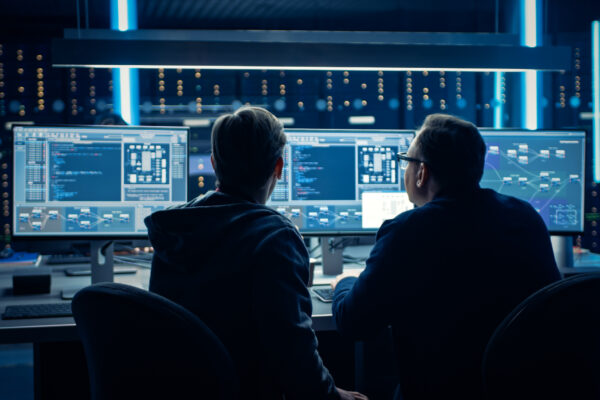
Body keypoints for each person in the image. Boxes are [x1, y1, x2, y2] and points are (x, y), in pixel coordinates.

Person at [331, 113, 561, 400]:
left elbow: (353, 322)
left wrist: (344, 282)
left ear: (421, 172)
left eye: (407, 160)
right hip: (518, 387)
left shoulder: (406, 232)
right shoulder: (525, 217)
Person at [145, 107, 366, 400]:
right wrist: (335, 396)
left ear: (214, 164)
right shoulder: (276, 238)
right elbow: (293, 354)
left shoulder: (173, 228)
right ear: (278, 167)